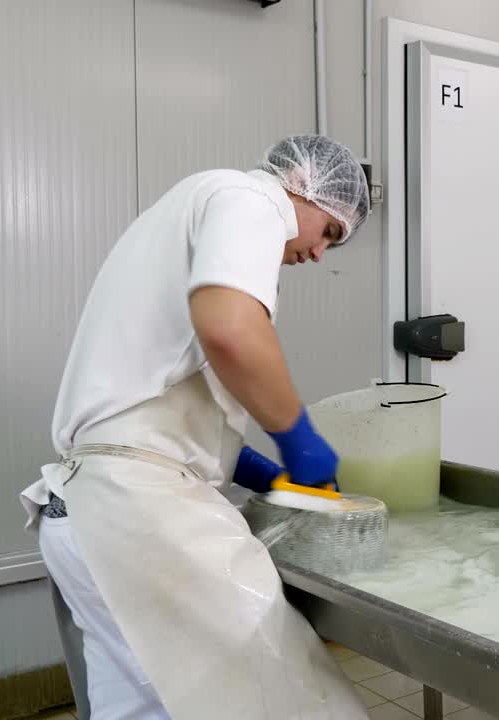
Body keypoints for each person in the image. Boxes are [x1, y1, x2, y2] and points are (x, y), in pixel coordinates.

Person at [19, 135, 372, 720]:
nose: (319, 254)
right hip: (136, 517)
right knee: (294, 702)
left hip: (82, 508)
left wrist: (249, 466)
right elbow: (230, 333)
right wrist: (298, 438)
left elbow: (158, 377)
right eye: (329, 232)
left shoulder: (188, 209)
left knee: (138, 708)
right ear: (304, 186)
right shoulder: (250, 200)